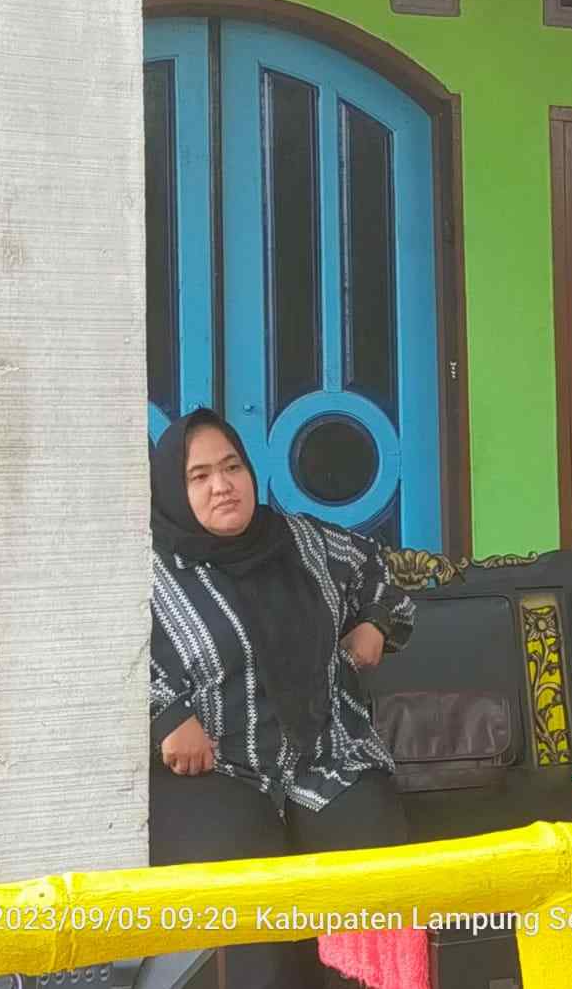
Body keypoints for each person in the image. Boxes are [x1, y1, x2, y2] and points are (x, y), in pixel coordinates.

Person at [147, 409, 416, 989]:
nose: (222, 486)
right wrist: (166, 716)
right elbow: (105, 655)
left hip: (330, 756)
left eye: (232, 467)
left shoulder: (303, 541)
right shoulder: (149, 572)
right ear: (172, 487)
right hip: (220, 768)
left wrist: (374, 623)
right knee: (248, 897)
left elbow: (379, 572)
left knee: (373, 875)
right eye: (199, 476)